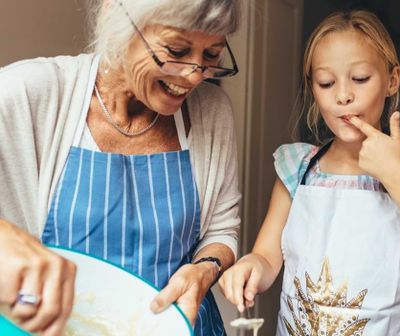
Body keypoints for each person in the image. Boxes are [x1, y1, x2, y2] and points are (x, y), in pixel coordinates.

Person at [218, 10, 400, 335]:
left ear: (392, 79)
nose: (343, 95)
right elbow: (267, 258)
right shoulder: (297, 168)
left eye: (360, 79)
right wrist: (251, 266)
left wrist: (396, 173)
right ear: (313, 89)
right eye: (326, 83)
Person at [0, 0, 242, 335]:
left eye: (212, 55)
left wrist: (204, 268)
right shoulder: (26, 93)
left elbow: (221, 228)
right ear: (116, 16)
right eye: (176, 49)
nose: (194, 74)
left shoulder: (213, 113)